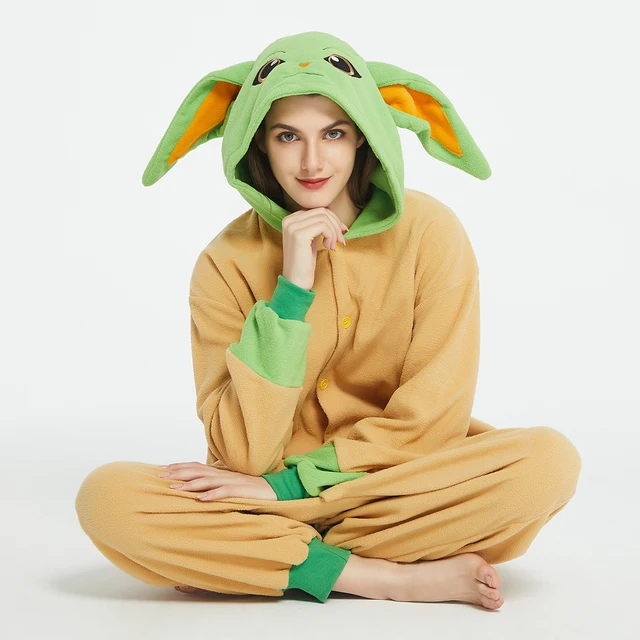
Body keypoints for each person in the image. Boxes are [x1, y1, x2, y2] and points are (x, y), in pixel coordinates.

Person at [75, 30, 582, 610]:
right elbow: (242, 456)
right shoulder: (224, 263)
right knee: (107, 498)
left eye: (333, 133)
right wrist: (292, 291)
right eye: (287, 136)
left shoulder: (431, 233)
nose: (312, 161)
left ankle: (257, 560)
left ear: (364, 135)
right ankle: (379, 576)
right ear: (258, 142)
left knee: (547, 462)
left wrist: (286, 489)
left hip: (391, 486)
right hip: (258, 495)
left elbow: (432, 419)